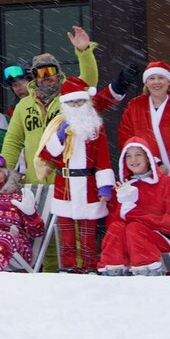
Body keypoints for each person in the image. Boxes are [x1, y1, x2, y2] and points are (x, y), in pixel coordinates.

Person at [2, 26, 108, 189]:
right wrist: (3, 175)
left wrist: (84, 52)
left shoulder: (70, 96)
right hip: (35, 184)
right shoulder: (23, 105)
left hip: (67, 181)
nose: (46, 77)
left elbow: (89, 80)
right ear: (34, 76)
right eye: (40, 73)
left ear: (58, 72)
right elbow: (13, 141)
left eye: (50, 71)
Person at [37, 76, 115, 273]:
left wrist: (105, 186)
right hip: (65, 184)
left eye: (79, 101)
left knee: (88, 235)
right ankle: (69, 267)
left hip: (88, 184)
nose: (76, 105)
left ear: (86, 102)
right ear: (65, 104)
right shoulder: (58, 125)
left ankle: (90, 267)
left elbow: (103, 159)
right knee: (67, 236)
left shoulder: (96, 127)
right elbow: (47, 154)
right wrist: (59, 137)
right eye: (71, 102)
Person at [96, 139, 170, 275]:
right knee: (116, 228)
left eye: (138, 155)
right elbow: (112, 226)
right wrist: (123, 204)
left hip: (162, 240)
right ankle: (113, 270)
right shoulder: (123, 187)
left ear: (148, 158)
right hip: (128, 245)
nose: (133, 160)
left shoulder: (166, 183)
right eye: (129, 156)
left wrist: (133, 213)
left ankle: (146, 270)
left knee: (135, 228)